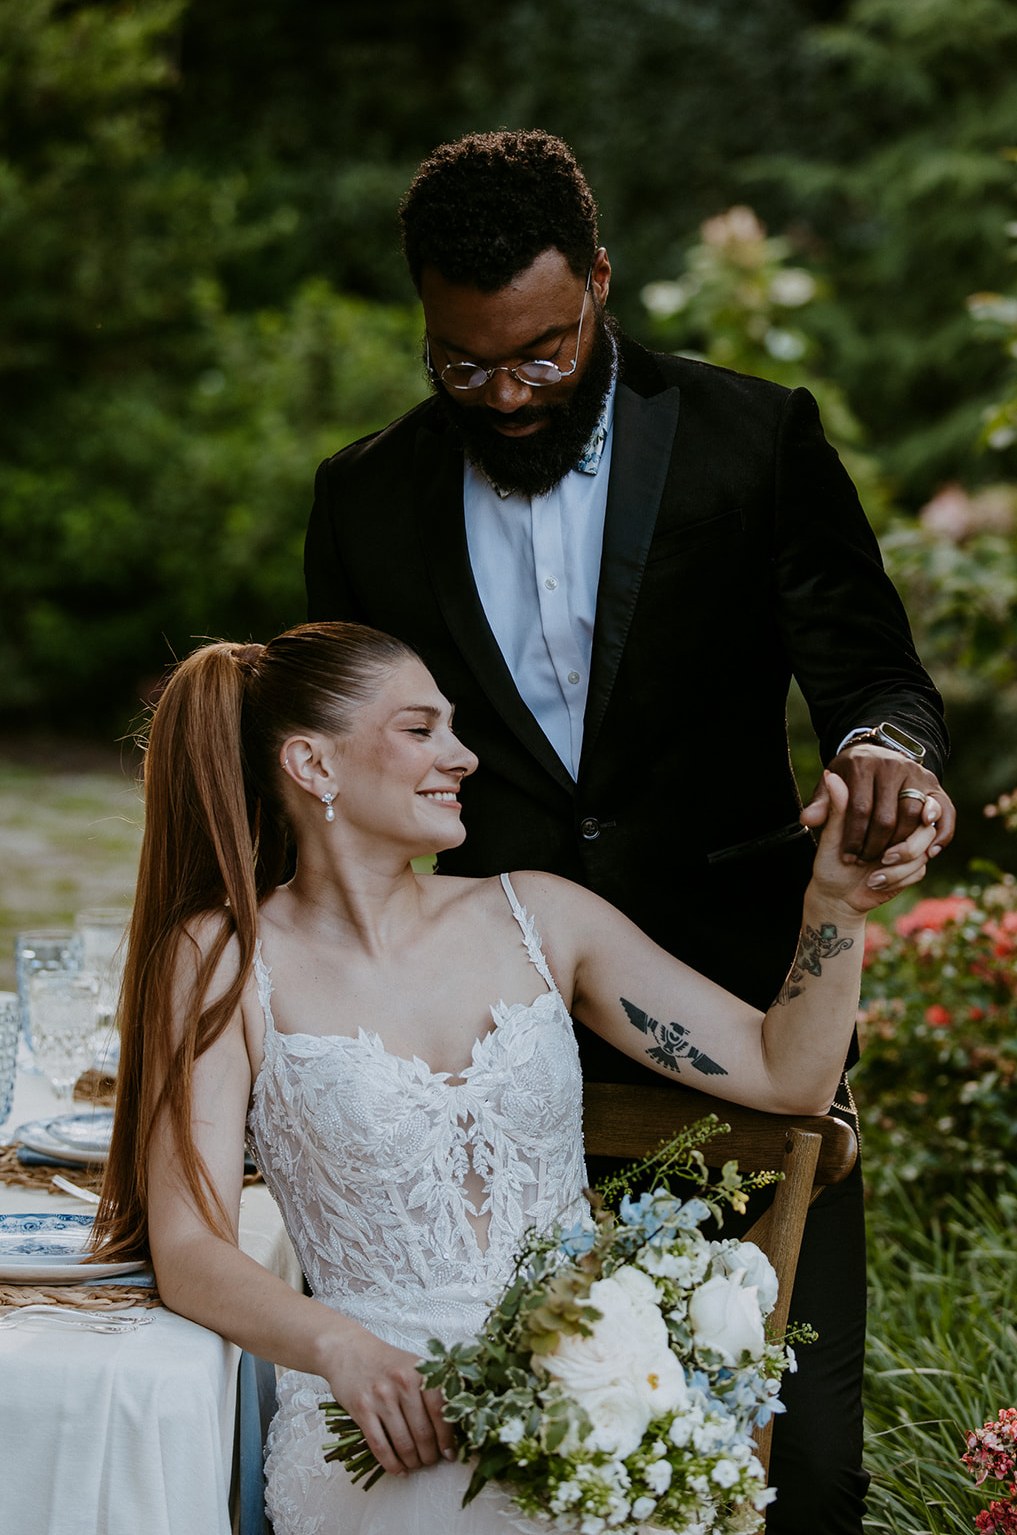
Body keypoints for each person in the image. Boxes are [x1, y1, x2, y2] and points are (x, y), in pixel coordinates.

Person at [302, 129, 956, 1531]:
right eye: (464, 364)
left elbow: (870, 673)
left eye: (540, 351)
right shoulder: (363, 497)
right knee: (515, 1480)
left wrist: (881, 759)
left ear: (598, 284)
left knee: (797, 1473)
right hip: (483, 1056)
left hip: (735, 1010)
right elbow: (333, 773)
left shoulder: (749, 435)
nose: (508, 394)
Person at [93, 622, 940, 1535]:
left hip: (598, 1388)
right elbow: (188, 1248)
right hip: (378, 1420)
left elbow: (790, 1076)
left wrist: (836, 908)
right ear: (311, 762)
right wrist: (343, 1351)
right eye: (421, 730)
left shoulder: (541, 917)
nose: (461, 757)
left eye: (453, 730)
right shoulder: (224, 959)